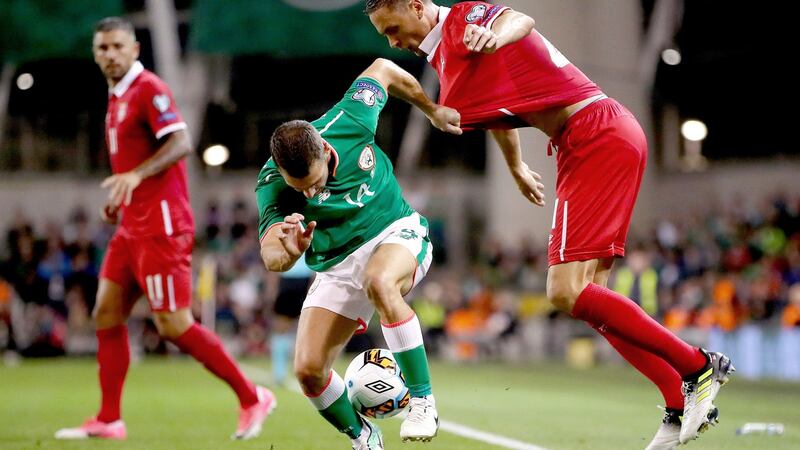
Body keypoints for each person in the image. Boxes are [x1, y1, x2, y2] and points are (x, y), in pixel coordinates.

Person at [365, 1, 734, 448]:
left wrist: (497, 36)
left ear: (416, 6)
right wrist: (517, 165)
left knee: (563, 291)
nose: (392, 41)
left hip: (593, 136)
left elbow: (519, 20)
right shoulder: (445, 54)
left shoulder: (462, 19)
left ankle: (697, 368)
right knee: (591, 296)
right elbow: (500, 107)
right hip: (591, 138)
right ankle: (677, 398)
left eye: (392, 27)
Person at [55, 17, 275, 441]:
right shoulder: (116, 96)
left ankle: (252, 397)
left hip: (162, 225)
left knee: (173, 325)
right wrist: (122, 193)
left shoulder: (149, 89)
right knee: (106, 312)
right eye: (103, 48)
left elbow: (180, 142)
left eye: (118, 46)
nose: (111, 55)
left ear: (135, 49)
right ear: (95, 53)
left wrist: (136, 177)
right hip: (131, 225)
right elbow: (130, 163)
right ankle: (109, 418)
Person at [257, 58, 460, 449]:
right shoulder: (271, 183)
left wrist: (431, 109)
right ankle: (363, 435)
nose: (310, 194)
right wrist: (287, 250)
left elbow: (383, 68)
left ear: (325, 150)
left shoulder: (351, 118)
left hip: (396, 232)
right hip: (336, 267)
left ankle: (422, 401)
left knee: (380, 282)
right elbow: (270, 255)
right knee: (309, 372)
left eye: (314, 182)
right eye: (298, 187)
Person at [267, 257, 313, 386]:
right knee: (282, 328)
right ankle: (279, 373)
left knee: (308, 328)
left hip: (302, 278)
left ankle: (307, 370)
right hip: (289, 277)